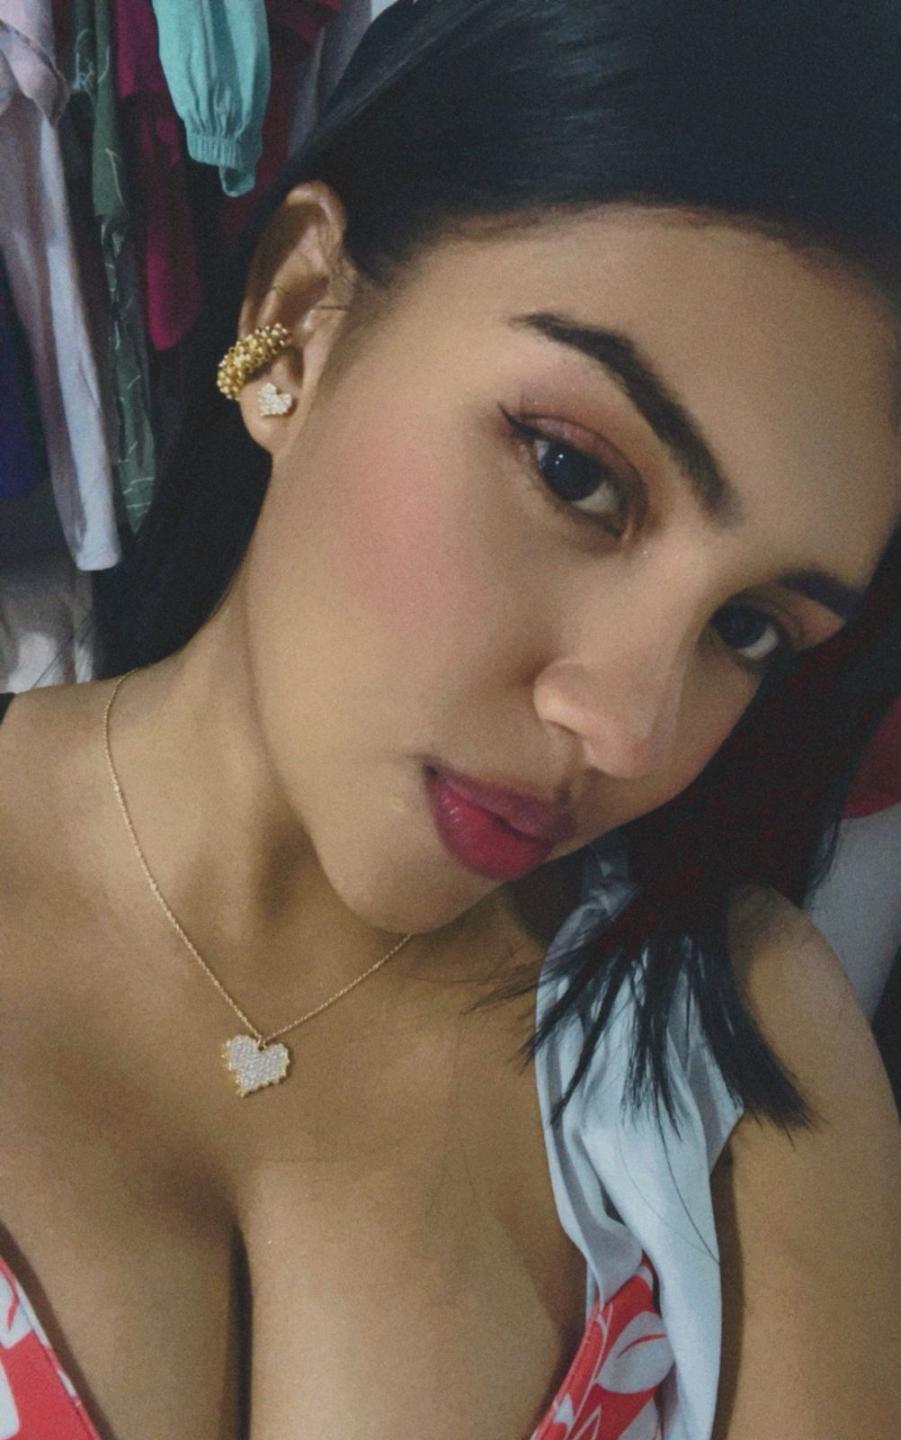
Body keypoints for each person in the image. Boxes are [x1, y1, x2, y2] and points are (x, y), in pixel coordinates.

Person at [1, 2, 899, 1437]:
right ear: (299, 313)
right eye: (575, 473)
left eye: (747, 629)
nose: (629, 732)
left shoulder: (739, 1057)